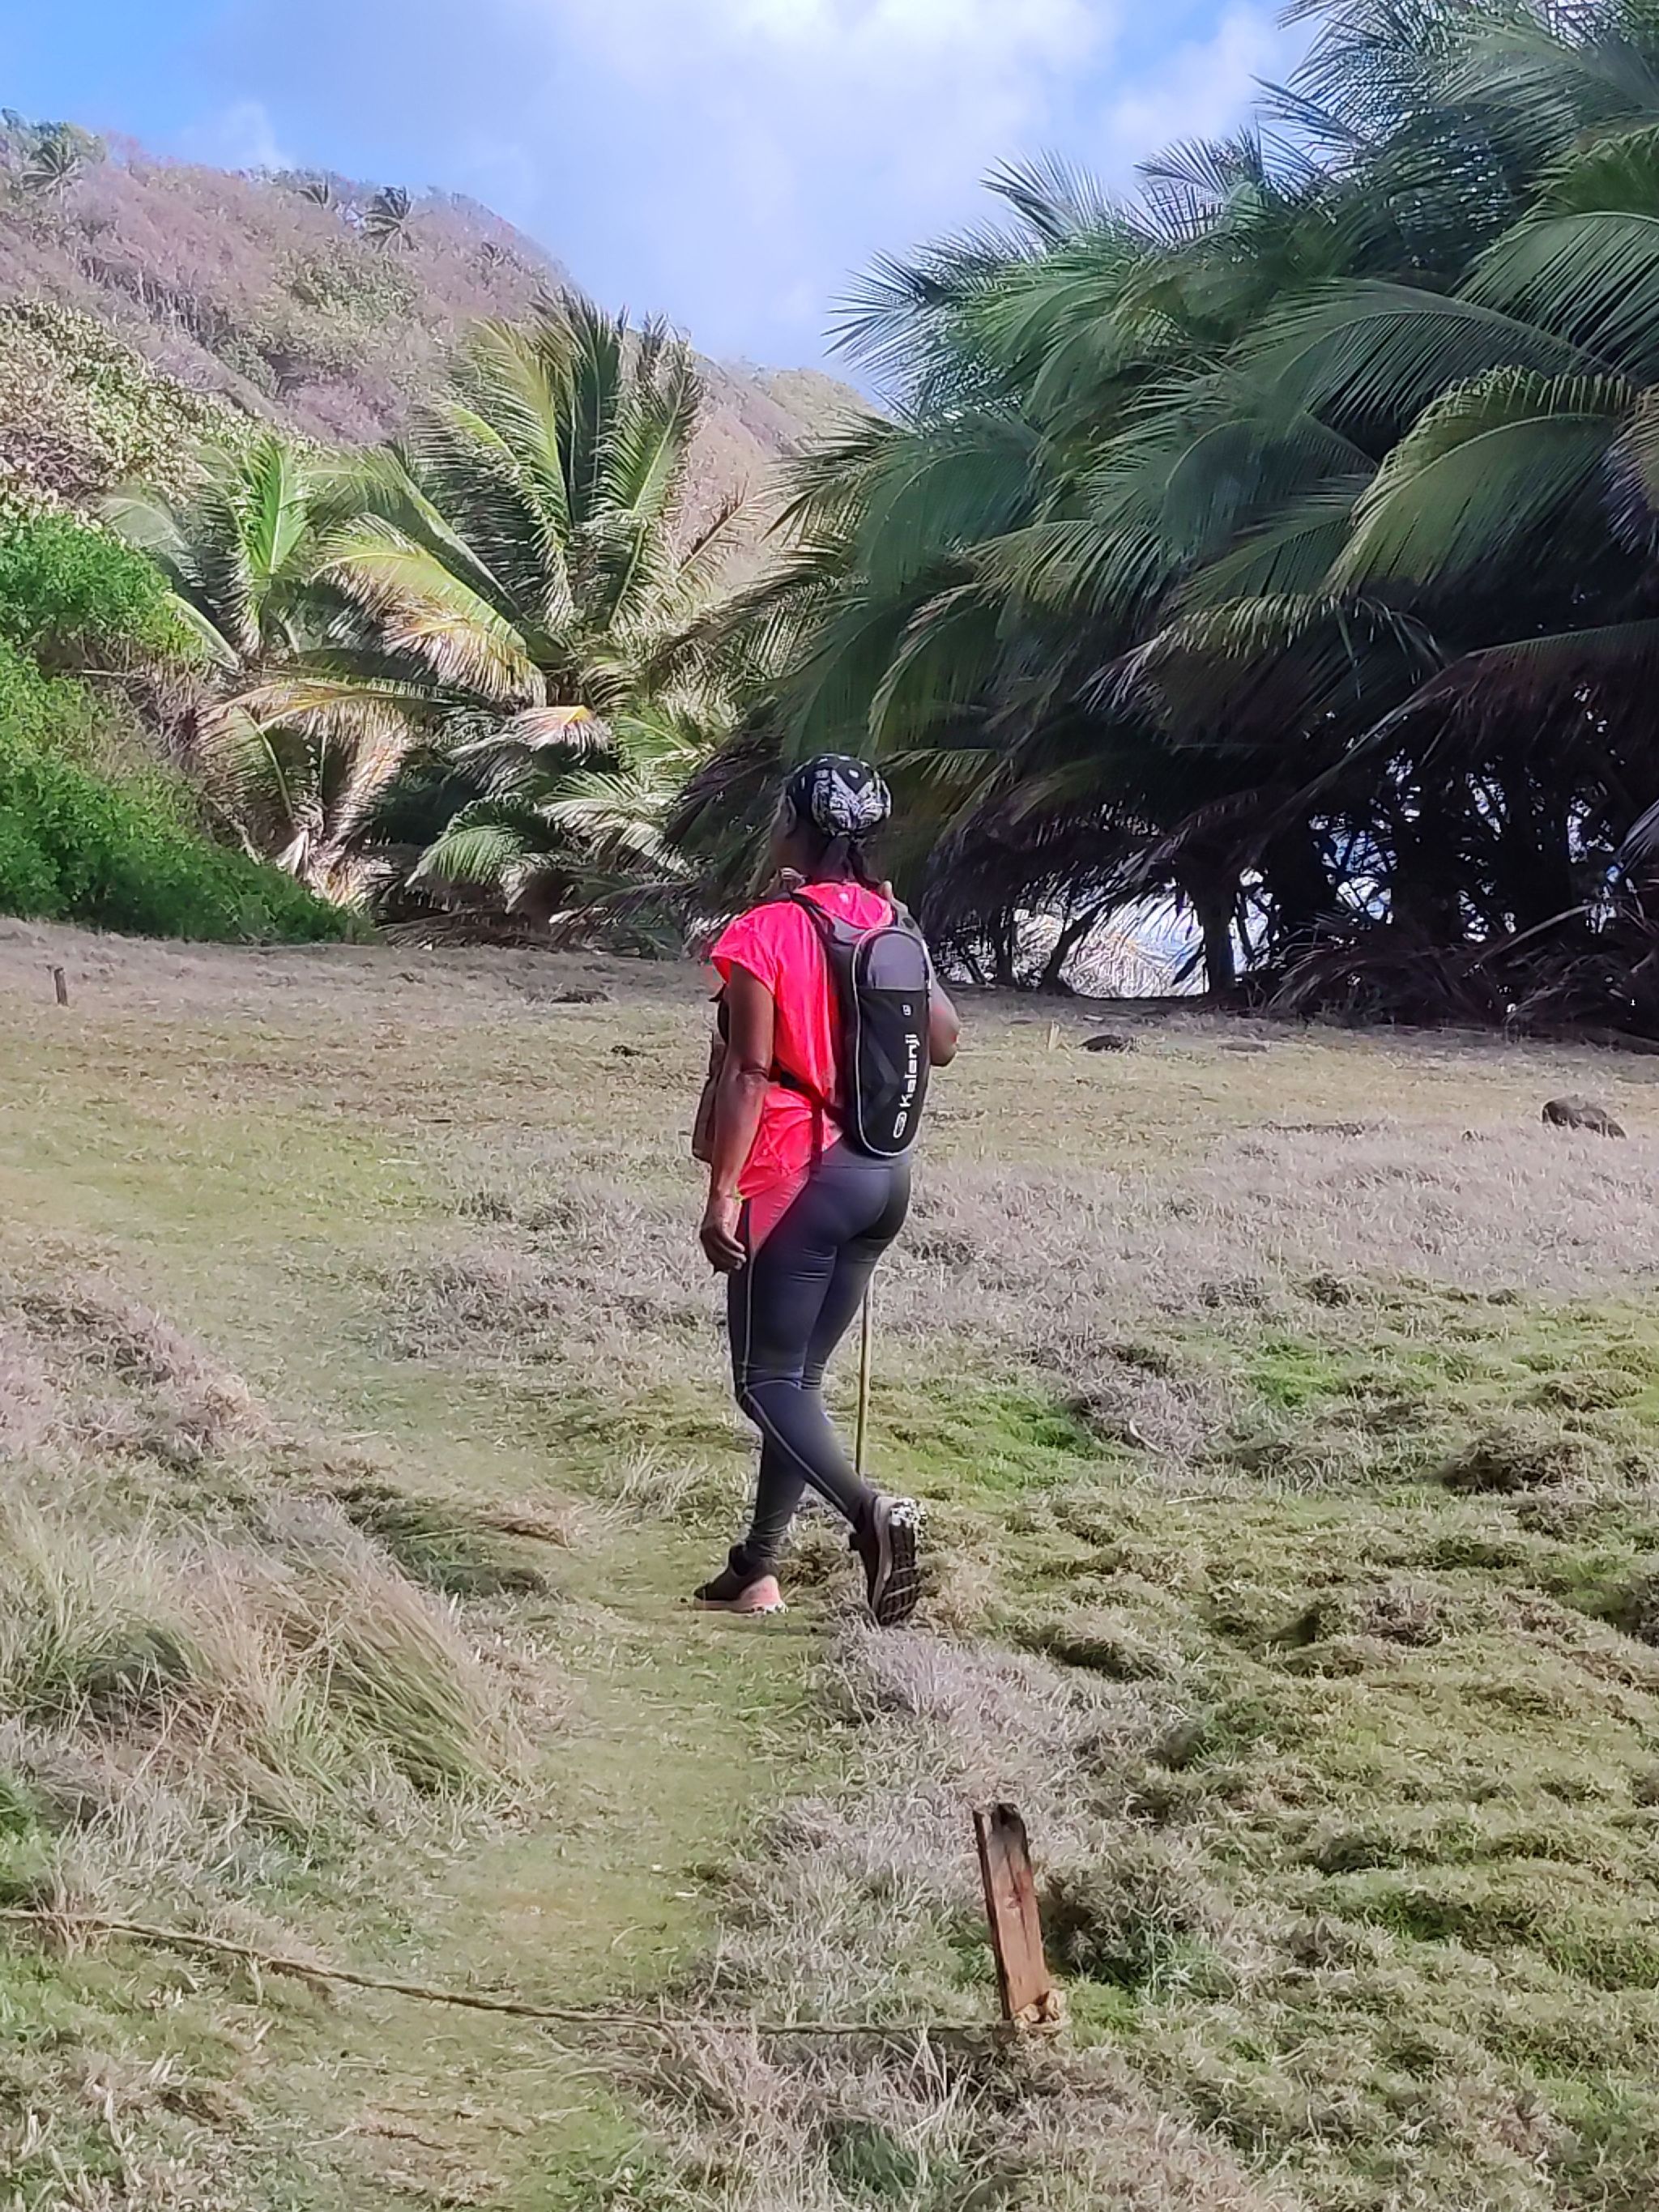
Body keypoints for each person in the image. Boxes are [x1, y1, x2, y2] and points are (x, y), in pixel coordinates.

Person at [692, 754, 959, 1624]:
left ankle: (870, 1513)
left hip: (794, 1173)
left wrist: (721, 1193)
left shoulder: (764, 929)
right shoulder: (892, 923)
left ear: (796, 828)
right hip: (881, 1175)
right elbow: (944, 1040)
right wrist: (904, 936)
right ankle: (756, 1568)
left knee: (763, 1383)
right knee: (799, 1381)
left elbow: (748, 1069)